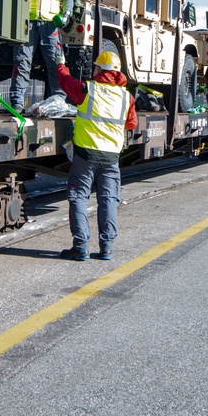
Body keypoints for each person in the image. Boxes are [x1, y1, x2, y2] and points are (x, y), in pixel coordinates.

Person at [55, 50, 137, 261]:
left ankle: (81, 246)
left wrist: (61, 65)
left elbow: (66, 82)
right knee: (108, 200)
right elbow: (131, 124)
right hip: (111, 158)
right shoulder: (126, 97)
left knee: (79, 197)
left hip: (85, 155)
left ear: (99, 69)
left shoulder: (87, 89)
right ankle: (106, 247)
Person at [8, 0, 73, 111]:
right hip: (26, 23)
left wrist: (65, 15)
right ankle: (17, 102)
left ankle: (58, 99)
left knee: (56, 63)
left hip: (51, 24)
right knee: (22, 62)